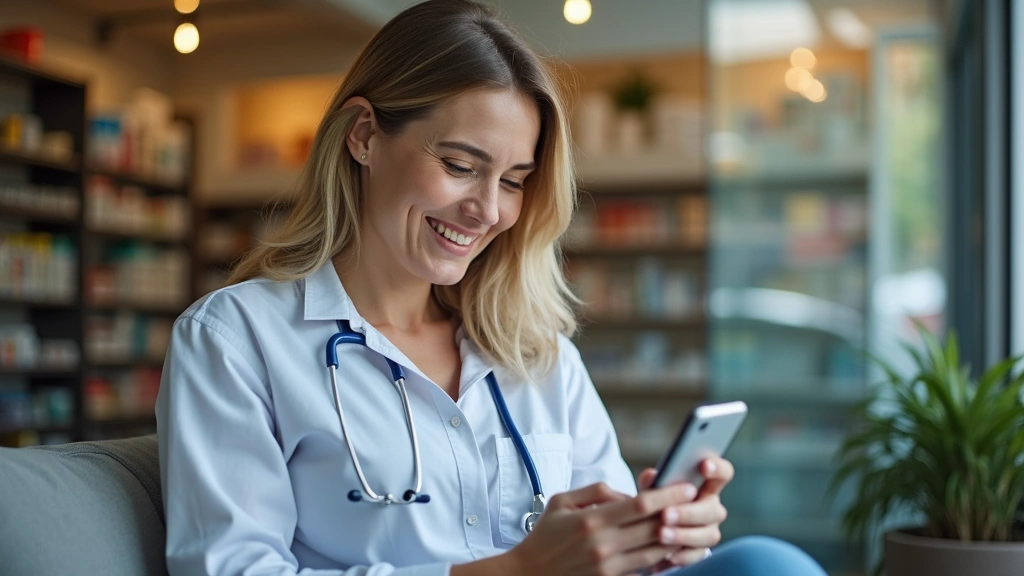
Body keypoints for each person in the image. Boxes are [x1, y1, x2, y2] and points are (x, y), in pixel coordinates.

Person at [156, 1, 828, 575]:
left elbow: (606, 533)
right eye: (459, 165)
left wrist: (655, 533)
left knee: (769, 563)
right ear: (364, 135)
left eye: (512, 181)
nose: (488, 210)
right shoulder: (236, 340)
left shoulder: (535, 352)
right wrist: (508, 572)